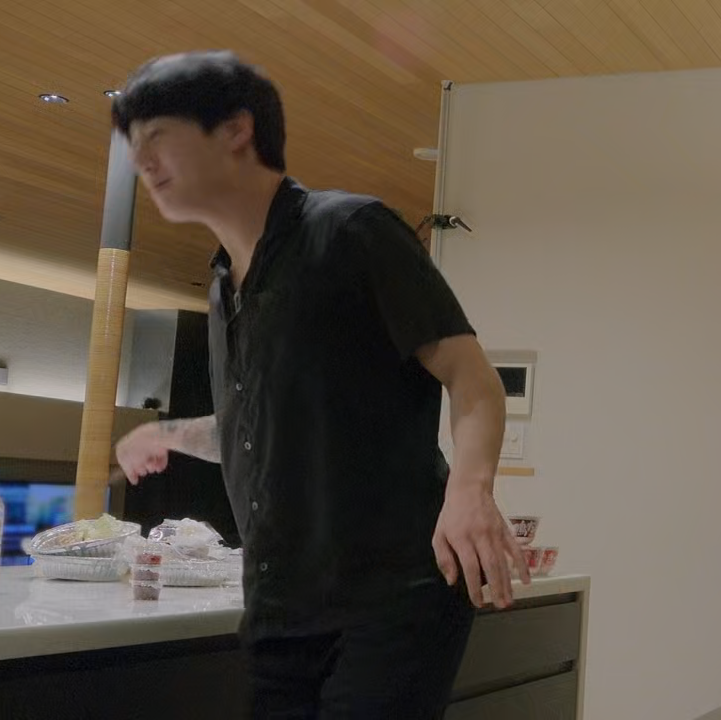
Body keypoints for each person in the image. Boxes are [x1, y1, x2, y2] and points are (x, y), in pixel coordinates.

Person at [110, 50, 529, 719]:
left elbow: (473, 379)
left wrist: (471, 490)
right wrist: (169, 433)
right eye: (134, 144)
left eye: (157, 135)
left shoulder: (351, 231)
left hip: (393, 595)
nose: (141, 159)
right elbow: (264, 428)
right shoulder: (222, 287)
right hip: (282, 607)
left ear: (236, 130)